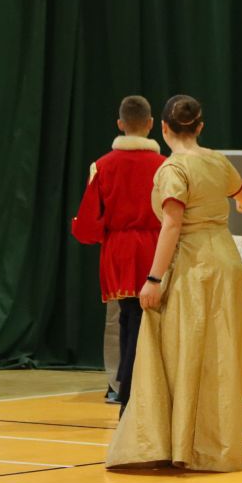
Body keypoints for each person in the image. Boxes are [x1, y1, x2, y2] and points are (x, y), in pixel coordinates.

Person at [106, 94, 242, 473]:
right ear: (200, 126)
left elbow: (172, 225)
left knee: (182, 352)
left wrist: (153, 278)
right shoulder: (217, 161)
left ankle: (180, 444)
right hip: (226, 264)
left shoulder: (173, 169)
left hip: (193, 267)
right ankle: (214, 446)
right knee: (218, 354)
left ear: (163, 128)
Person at [72, 95, 166, 411]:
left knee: (127, 316)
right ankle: (133, 392)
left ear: (120, 124)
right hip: (155, 247)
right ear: (151, 124)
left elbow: (87, 224)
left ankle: (126, 389)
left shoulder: (102, 166)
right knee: (144, 320)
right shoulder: (164, 166)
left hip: (119, 251)